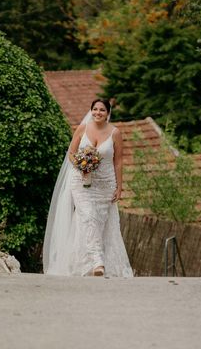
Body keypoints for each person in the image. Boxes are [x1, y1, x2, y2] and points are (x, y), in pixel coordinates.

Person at [43, 99, 133, 277]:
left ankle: (80, 263)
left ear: (108, 113)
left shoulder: (115, 133)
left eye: (102, 110)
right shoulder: (82, 128)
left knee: (98, 222)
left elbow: (118, 161)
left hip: (105, 185)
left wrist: (119, 187)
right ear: (90, 111)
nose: (98, 113)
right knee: (88, 216)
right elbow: (71, 152)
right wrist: (81, 166)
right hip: (81, 182)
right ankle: (97, 261)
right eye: (95, 109)